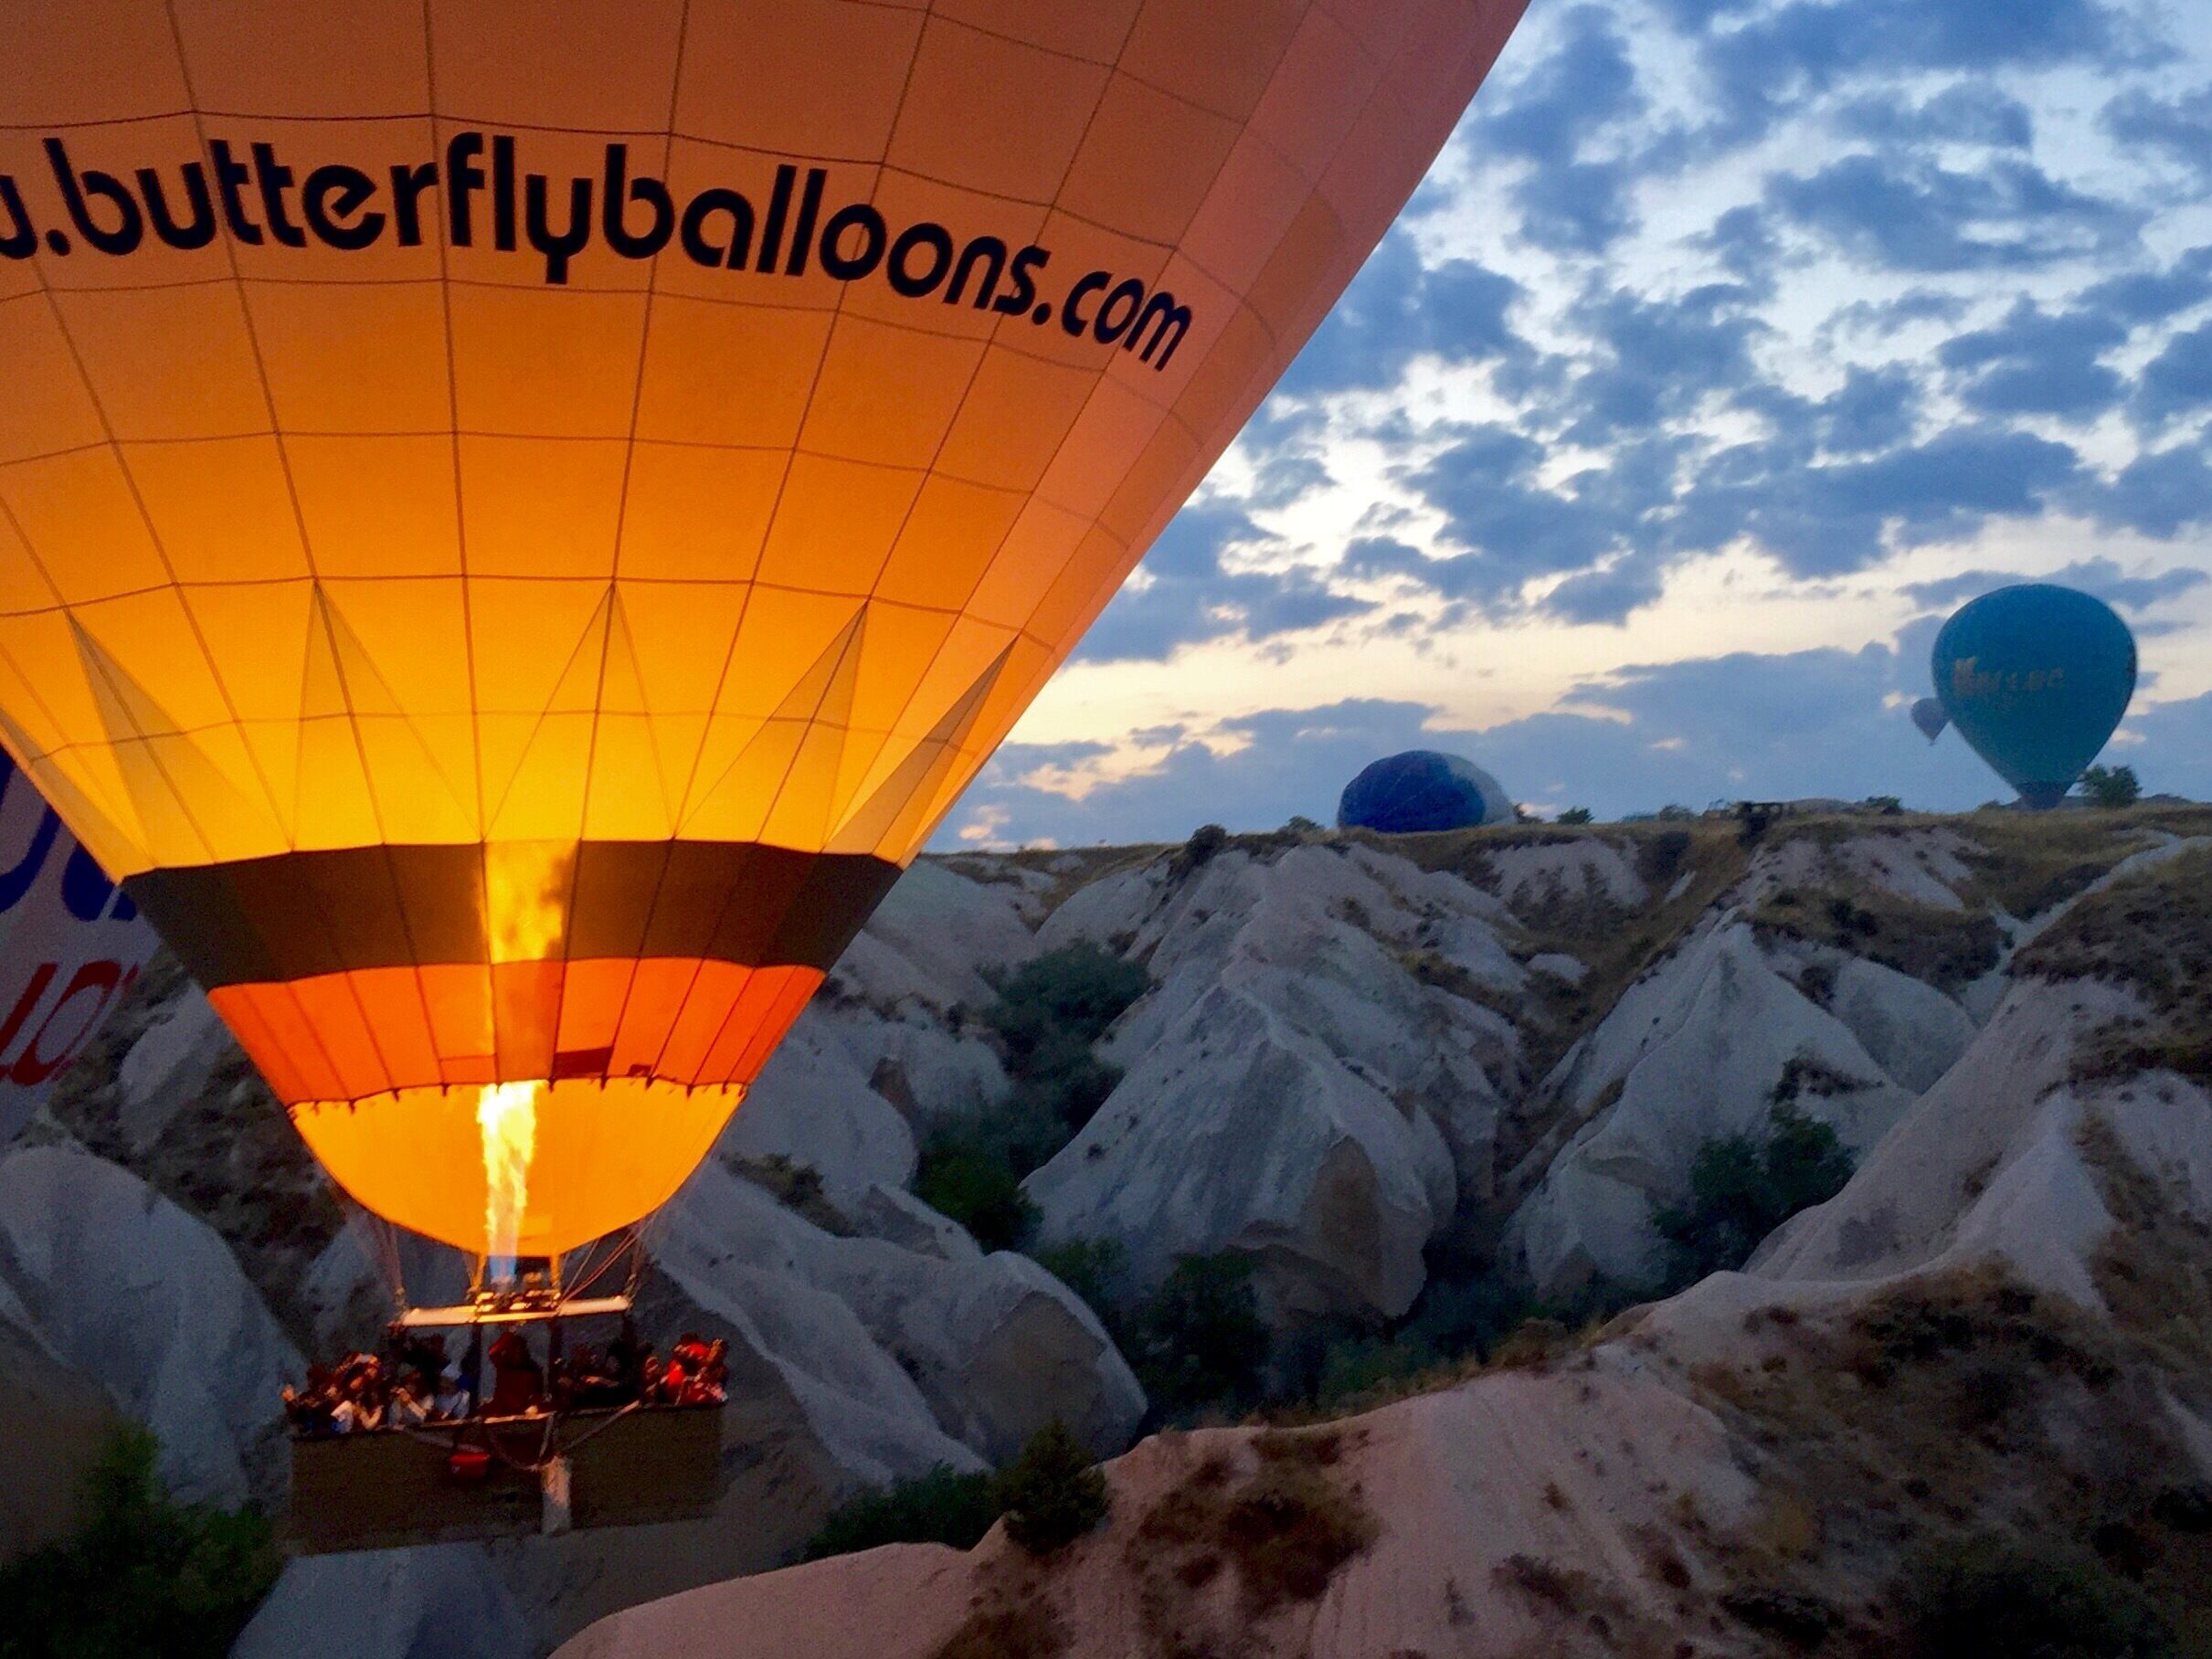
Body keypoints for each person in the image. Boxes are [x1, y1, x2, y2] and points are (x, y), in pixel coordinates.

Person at [487, 1329, 545, 1416]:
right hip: (501, 1410)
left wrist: (534, 1405)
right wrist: (508, 1333)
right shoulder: (503, 1365)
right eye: (512, 1349)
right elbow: (493, 1352)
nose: (516, 1352)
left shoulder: (532, 1369)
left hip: (521, 1411)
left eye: (519, 1349)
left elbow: (538, 1392)